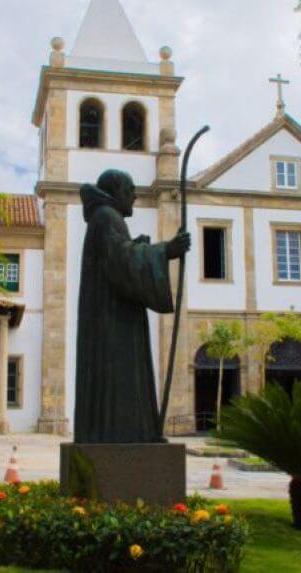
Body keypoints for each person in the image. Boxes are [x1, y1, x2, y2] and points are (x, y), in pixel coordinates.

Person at [74, 169, 190, 443]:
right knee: (123, 378)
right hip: (112, 322)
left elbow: (119, 254)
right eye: (130, 190)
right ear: (115, 192)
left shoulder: (106, 218)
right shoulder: (106, 217)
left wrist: (143, 247)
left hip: (114, 316)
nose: (135, 196)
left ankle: (134, 431)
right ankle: (125, 432)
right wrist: (166, 250)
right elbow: (121, 261)